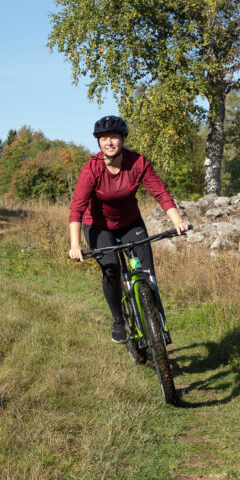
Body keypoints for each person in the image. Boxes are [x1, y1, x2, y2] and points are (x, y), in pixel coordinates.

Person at [67, 115, 188, 343]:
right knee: (111, 269)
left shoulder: (138, 163)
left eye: (113, 137)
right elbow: (77, 209)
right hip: (98, 226)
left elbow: (160, 193)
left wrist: (177, 221)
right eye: (103, 138)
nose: (109, 142)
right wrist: (75, 245)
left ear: (123, 139)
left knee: (147, 274)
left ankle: (159, 326)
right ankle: (118, 320)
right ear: (99, 143)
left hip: (131, 223)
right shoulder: (92, 169)